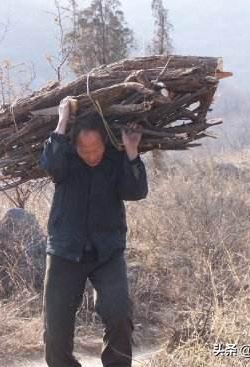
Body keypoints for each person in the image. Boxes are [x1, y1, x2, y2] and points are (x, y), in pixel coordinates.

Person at [38, 96, 149, 367]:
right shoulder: (64, 160)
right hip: (65, 249)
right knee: (55, 325)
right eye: (84, 150)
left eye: (96, 149)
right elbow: (49, 164)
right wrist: (63, 120)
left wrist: (132, 151)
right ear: (74, 146)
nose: (90, 155)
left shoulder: (115, 160)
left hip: (107, 251)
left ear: (105, 144)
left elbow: (136, 191)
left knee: (119, 314)